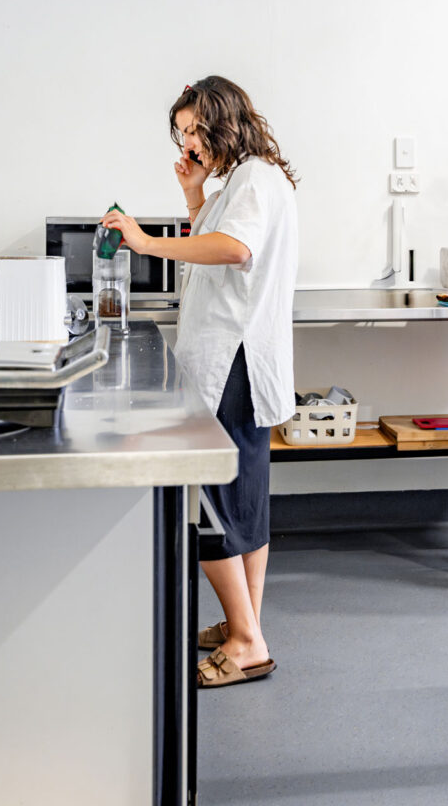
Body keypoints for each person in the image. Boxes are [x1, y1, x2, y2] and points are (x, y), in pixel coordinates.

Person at [102, 75, 298, 686]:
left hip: (232, 363)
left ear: (223, 122)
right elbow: (219, 241)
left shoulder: (254, 181)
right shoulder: (247, 180)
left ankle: (245, 641)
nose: (187, 143)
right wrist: (193, 197)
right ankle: (249, 627)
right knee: (245, 500)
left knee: (207, 501)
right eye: (181, 133)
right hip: (242, 358)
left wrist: (144, 241)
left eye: (194, 131)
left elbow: (235, 251)